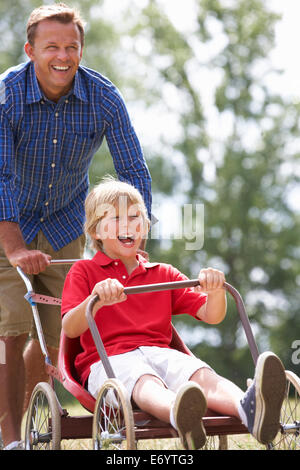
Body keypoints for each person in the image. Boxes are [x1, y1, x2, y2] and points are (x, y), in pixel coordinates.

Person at [0, 3, 151, 450]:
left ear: (81, 50)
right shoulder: (7, 94)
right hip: (9, 220)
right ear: (31, 50)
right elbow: (1, 178)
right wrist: (13, 248)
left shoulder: (103, 97)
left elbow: (133, 172)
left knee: (56, 335)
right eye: (51, 47)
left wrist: (133, 239)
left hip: (65, 221)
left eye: (71, 47)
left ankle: (26, 424)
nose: (62, 56)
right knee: (10, 327)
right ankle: (9, 440)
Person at [61, 177, 286, 450]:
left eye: (135, 217)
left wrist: (214, 291)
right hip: (109, 360)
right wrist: (94, 300)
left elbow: (211, 315)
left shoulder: (162, 273)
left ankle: (250, 408)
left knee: (199, 374)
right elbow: (71, 329)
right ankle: (179, 413)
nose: (128, 225)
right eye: (117, 218)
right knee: (143, 380)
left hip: (160, 352)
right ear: (96, 231)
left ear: (145, 226)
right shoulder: (84, 272)